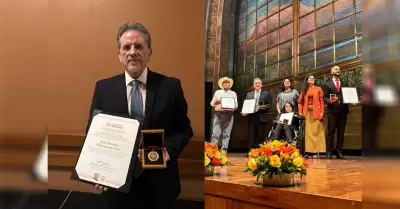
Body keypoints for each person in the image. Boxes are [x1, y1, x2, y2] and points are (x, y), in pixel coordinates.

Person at [86, 22, 193, 209]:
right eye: (126, 47)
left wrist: (167, 149)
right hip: (116, 186)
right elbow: (93, 134)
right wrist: (97, 168)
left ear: (149, 52)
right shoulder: (103, 88)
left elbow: (184, 129)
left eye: (139, 46)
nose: (132, 51)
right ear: (119, 54)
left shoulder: (170, 87)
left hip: (159, 185)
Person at [323, 65, 354, 159]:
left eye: (339, 69)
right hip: (332, 111)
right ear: (331, 71)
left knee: (341, 132)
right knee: (331, 132)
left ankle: (339, 151)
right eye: (336, 69)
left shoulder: (344, 83)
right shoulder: (327, 84)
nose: (338, 70)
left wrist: (351, 101)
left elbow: (347, 96)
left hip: (343, 111)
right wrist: (330, 101)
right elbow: (324, 97)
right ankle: (329, 151)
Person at [241, 78, 272, 156]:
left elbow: (270, 104)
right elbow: (246, 105)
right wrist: (244, 111)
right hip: (252, 116)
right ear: (253, 85)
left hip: (262, 116)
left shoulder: (266, 93)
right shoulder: (249, 94)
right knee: (251, 134)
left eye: (259, 83)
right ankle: (251, 152)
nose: (257, 84)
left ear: (261, 85)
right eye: (256, 83)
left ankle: (260, 152)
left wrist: (264, 106)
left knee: (261, 134)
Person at [298, 75, 326, 159]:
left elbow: (322, 102)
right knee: (308, 133)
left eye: (313, 78)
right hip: (307, 113)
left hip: (316, 113)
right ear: (307, 81)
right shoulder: (304, 90)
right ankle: (308, 151)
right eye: (310, 78)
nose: (312, 79)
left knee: (316, 132)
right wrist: (300, 113)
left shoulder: (319, 89)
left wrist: (322, 112)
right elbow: (300, 102)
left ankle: (316, 152)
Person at [210, 77, 237, 154]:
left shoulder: (233, 93)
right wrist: (216, 102)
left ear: (230, 84)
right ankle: (213, 151)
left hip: (229, 115)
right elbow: (211, 103)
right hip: (218, 114)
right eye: (224, 83)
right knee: (215, 134)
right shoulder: (217, 92)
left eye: (227, 82)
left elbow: (236, 105)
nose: (226, 84)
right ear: (222, 84)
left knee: (226, 134)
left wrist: (231, 107)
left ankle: (224, 152)